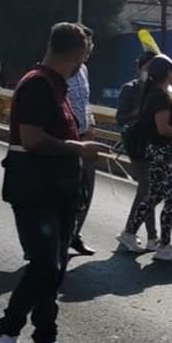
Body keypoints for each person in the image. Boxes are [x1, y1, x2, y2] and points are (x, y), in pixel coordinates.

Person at [0, 22, 105, 343]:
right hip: (35, 189)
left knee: (54, 271)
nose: (84, 62)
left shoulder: (58, 86)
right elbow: (33, 138)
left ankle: (45, 342)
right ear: (76, 53)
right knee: (44, 266)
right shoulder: (38, 85)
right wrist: (79, 149)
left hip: (58, 191)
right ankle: (5, 332)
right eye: (84, 55)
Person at [117, 55, 172, 262]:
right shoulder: (159, 97)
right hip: (161, 153)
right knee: (171, 197)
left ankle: (129, 233)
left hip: (156, 152)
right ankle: (164, 246)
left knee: (154, 195)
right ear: (167, 73)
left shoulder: (156, 94)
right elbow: (163, 129)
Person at [117, 51, 159, 248]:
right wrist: (141, 109)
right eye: (147, 68)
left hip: (155, 145)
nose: (150, 72)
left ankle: (152, 236)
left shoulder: (157, 90)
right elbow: (121, 119)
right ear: (139, 68)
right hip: (136, 144)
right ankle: (129, 231)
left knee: (149, 190)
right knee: (147, 188)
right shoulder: (129, 89)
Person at [68, 25, 97, 257]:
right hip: (68, 141)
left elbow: (85, 101)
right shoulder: (60, 69)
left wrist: (91, 123)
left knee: (88, 189)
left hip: (86, 139)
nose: (88, 50)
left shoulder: (84, 70)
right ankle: (62, 233)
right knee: (69, 192)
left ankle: (75, 233)